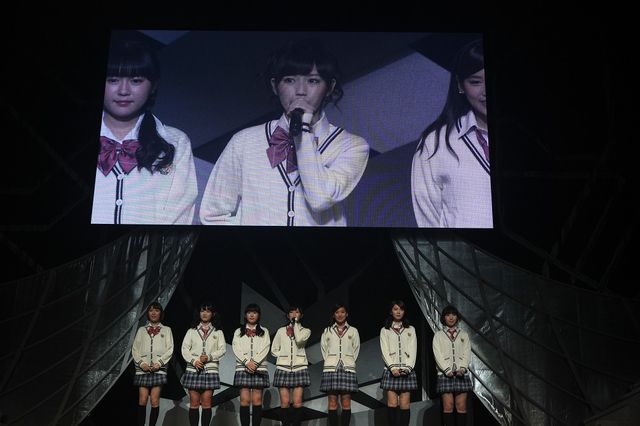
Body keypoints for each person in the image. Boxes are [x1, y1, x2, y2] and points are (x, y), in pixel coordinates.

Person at [200, 38, 369, 226]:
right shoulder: (244, 141)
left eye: (313, 81)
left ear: (329, 87)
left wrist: (303, 130)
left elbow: (320, 198)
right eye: (289, 80)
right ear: (275, 86)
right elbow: (212, 214)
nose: (300, 91)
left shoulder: (351, 146)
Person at [92, 38, 197, 224]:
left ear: (153, 85)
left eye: (136, 81)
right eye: (113, 80)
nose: (123, 91)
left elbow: (180, 216)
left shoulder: (176, 141)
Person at [411, 38, 492, 228]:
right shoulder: (435, 142)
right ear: (460, 85)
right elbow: (428, 219)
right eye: (475, 82)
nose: (486, 91)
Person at [180, 302, 226, 426]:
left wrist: (209, 357)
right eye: (202, 311)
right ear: (199, 313)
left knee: (206, 403)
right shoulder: (192, 331)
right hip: (193, 369)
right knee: (194, 403)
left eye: (208, 311)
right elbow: (184, 349)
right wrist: (194, 361)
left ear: (213, 314)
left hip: (210, 370)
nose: (205, 313)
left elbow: (222, 350)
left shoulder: (218, 332)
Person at [131, 302, 174, 426]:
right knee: (142, 400)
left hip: (158, 369)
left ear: (160, 313)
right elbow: (135, 349)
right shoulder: (141, 330)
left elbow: (170, 349)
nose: (153, 313)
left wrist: (159, 363)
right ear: (148, 313)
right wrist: (141, 363)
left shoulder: (167, 330)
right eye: (151, 310)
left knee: (154, 401)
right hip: (143, 369)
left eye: (156, 310)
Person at [319, 303, 360, 426]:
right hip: (331, 368)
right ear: (333, 315)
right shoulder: (327, 331)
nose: (340, 315)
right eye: (337, 312)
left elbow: (356, 349)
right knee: (332, 402)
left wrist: (348, 361)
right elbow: (324, 349)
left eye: (342, 312)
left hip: (347, 368)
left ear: (346, 314)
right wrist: (331, 361)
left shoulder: (353, 330)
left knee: (346, 402)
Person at [432, 305, 472, 426]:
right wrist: (447, 370)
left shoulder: (463, 334)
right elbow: (437, 354)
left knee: (461, 407)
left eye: (453, 315)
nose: (451, 317)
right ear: (444, 317)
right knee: (448, 407)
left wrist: (462, 368)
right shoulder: (438, 335)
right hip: (445, 374)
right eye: (448, 315)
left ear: (457, 317)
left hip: (461, 374)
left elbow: (467, 352)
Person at [271, 306, 311, 426]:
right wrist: (283, 356)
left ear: (301, 315)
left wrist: (296, 324)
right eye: (291, 312)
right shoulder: (281, 331)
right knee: (285, 403)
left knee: (297, 403)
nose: (294, 314)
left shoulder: (305, 331)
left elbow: (299, 340)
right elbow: (274, 349)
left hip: (300, 367)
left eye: (297, 312)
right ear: (288, 315)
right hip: (283, 368)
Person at [379, 300, 418, 426]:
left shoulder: (410, 329)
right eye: (395, 309)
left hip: (406, 370)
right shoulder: (385, 330)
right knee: (392, 404)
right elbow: (384, 350)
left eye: (401, 309)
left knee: (405, 404)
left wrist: (408, 368)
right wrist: (392, 368)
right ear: (391, 311)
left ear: (404, 311)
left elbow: (413, 349)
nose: (398, 312)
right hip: (391, 370)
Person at [233, 303, 271, 425]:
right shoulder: (238, 331)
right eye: (249, 312)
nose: (251, 315)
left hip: (259, 368)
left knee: (257, 401)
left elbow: (266, 347)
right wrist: (246, 362)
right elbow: (236, 348)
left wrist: (254, 363)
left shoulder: (264, 331)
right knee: (244, 401)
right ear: (245, 315)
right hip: (242, 368)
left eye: (254, 312)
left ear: (258, 315)